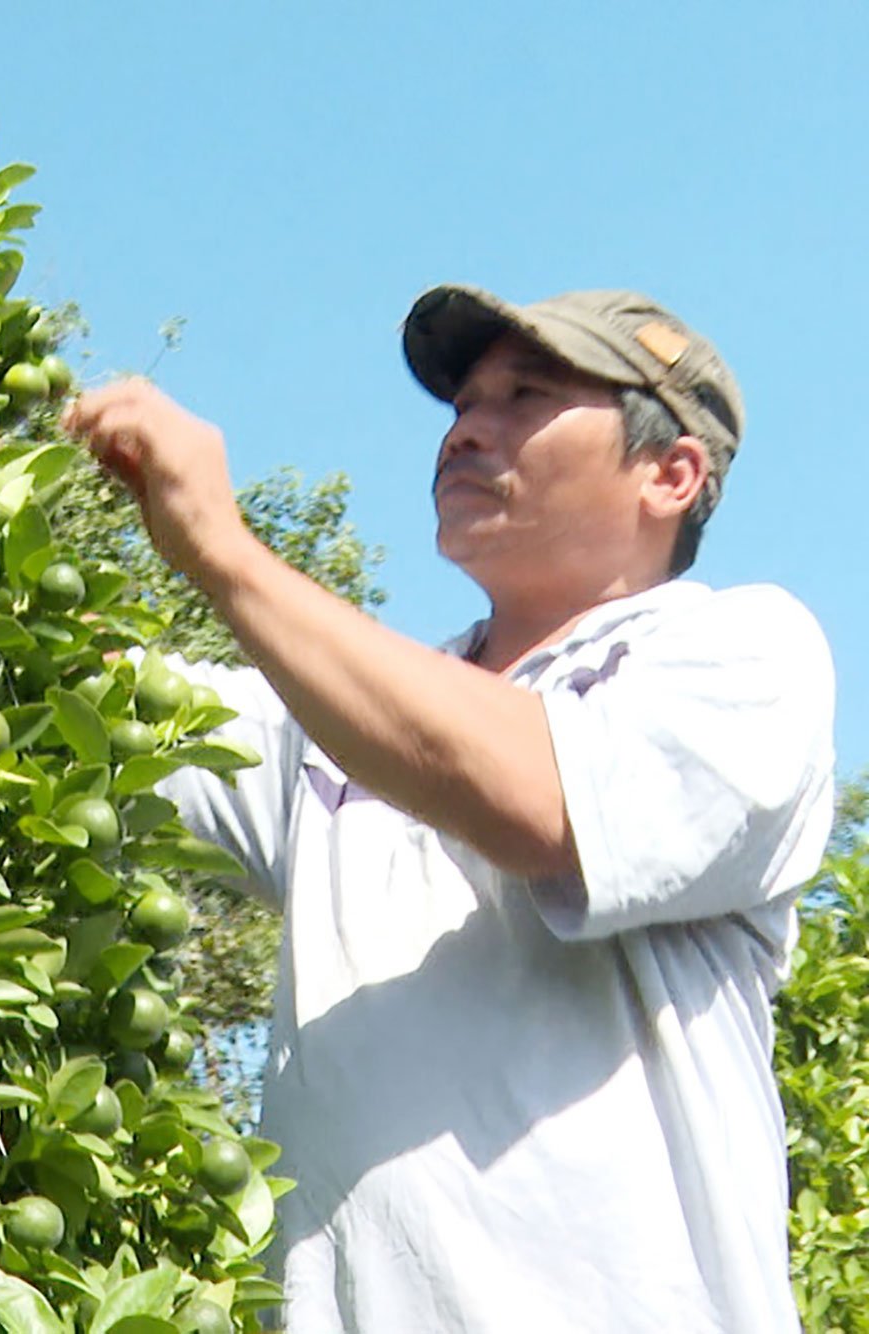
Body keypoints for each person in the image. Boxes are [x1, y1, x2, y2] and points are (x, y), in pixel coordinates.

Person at [60, 285, 835, 1334]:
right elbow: (66, 708)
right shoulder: (337, 715)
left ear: (669, 472)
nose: (467, 426)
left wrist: (225, 550)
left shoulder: (740, 653)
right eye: (462, 401)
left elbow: (537, 800)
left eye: (527, 395)